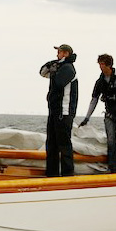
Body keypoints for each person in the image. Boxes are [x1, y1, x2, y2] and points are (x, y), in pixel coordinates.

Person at [79, 54, 116, 173]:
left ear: (109, 65)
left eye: (102, 64)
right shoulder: (99, 82)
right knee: (111, 141)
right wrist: (86, 118)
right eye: (99, 64)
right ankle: (113, 168)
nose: (100, 66)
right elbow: (94, 100)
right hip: (110, 114)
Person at [39, 44, 78, 177]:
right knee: (51, 144)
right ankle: (52, 173)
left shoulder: (68, 68)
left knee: (64, 145)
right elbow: (42, 73)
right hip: (54, 111)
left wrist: (55, 70)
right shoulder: (59, 66)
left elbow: (59, 83)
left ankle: (68, 174)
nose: (57, 54)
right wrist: (51, 65)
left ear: (65, 54)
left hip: (64, 113)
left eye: (59, 52)